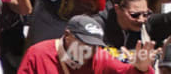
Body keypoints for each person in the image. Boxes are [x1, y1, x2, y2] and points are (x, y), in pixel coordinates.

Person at [16, 15, 154, 73]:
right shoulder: (38, 54)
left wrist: (142, 69)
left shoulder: (100, 58)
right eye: (85, 44)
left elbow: (126, 72)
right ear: (68, 36)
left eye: (94, 45)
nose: (90, 50)